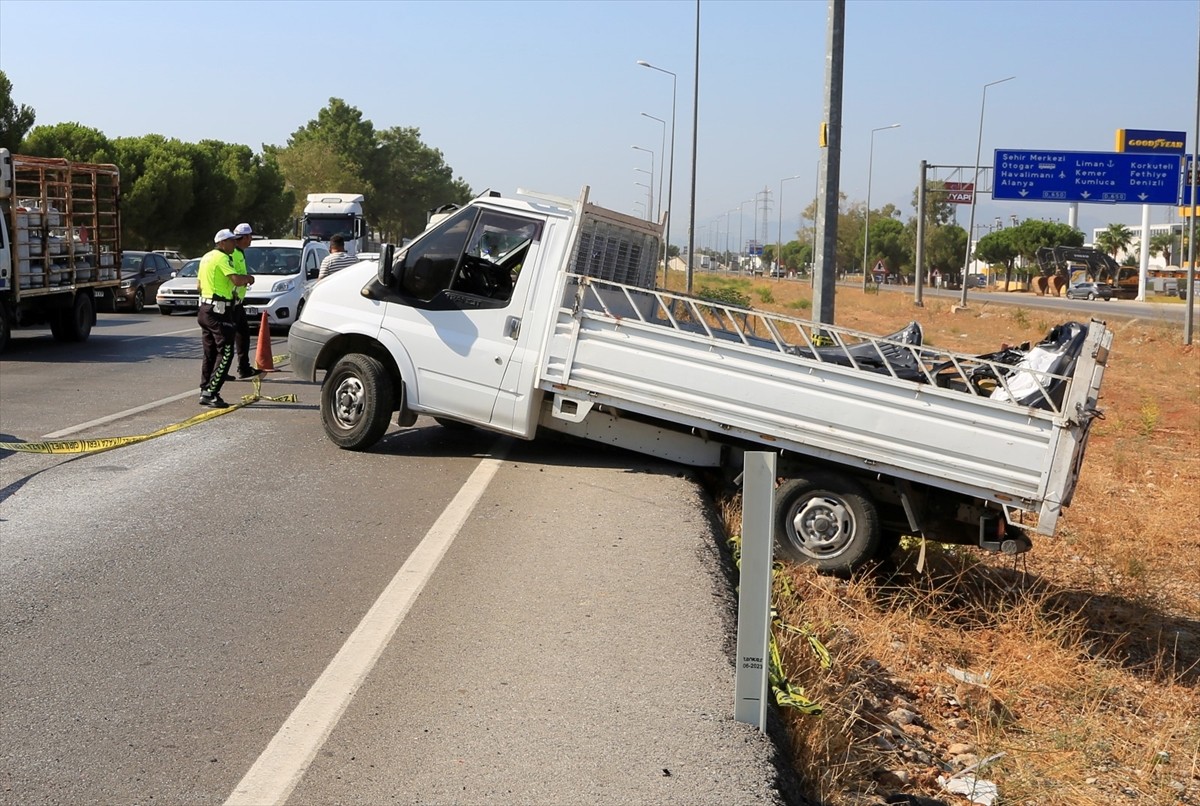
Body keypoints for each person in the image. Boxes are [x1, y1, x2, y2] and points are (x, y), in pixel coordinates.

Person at [197, 228, 255, 408]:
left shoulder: (206, 257)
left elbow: (198, 285)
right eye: (231, 241)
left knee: (210, 352)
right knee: (226, 351)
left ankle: (205, 388)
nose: (234, 243)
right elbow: (236, 280)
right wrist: (248, 278)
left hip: (205, 308)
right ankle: (212, 392)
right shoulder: (222, 258)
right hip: (218, 310)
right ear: (222, 243)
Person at [230, 222, 261, 379]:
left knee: (242, 335)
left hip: (237, 301)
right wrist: (247, 279)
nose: (251, 240)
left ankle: (243, 367)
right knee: (229, 338)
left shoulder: (239, 252)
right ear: (245, 237)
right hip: (230, 301)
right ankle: (231, 369)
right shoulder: (233, 253)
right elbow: (234, 277)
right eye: (250, 237)